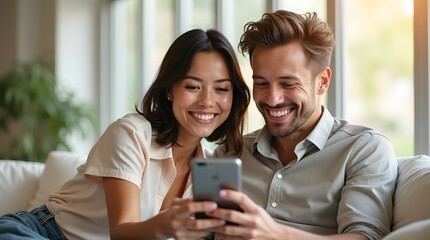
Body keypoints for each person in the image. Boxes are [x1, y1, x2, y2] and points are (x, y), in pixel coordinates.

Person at [0, 28, 250, 239]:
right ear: (169, 90)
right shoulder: (131, 134)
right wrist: (168, 224)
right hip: (41, 232)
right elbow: (121, 233)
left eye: (221, 89)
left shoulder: (212, 167)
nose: (207, 101)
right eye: (193, 86)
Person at [210, 10, 398, 240]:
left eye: (288, 83)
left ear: (323, 81)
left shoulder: (363, 149)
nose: (272, 98)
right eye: (262, 83)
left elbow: (365, 237)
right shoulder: (230, 152)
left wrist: (275, 234)